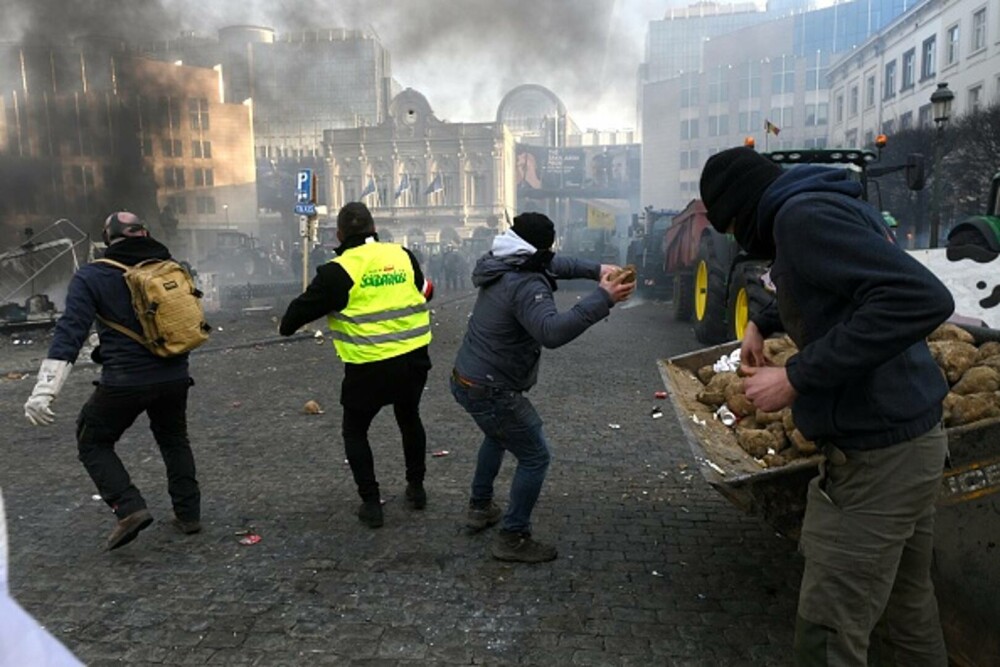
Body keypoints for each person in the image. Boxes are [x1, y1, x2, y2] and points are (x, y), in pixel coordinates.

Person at [699, 147, 954, 664]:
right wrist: (763, 320)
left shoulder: (800, 217)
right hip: (912, 441)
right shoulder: (818, 202)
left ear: (741, 210)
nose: (737, 240)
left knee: (826, 636)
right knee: (908, 611)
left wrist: (795, 376)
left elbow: (922, 298)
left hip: (877, 459)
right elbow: (831, 278)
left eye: (731, 228)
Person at [451, 212, 635, 563]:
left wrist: (596, 269)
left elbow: (558, 264)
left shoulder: (504, 259)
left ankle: (480, 507)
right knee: (535, 455)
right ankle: (512, 536)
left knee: (497, 436)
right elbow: (552, 332)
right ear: (542, 248)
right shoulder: (527, 282)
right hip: (491, 388)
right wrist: (603, 298)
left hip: (467, 376)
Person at [23, 212, 201, 551]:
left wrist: (45, 390)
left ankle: (129, 507)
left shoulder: (92, 275)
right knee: (174, 439)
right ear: (144, 234)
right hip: (175, 374)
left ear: (108, 240)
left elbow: (70, 333)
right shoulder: (172, 267)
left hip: (125, 381)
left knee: (92, 439)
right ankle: (189, 514)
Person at [279, 202, 434, 529]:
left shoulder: (338, 271)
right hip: (413, 359)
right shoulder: (402, 255)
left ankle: (371, 503)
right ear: (374, 228)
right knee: (409, 418)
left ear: (338, 234)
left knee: (355, 430)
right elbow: (425, 292)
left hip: (369, 367)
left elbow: (290, 322)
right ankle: (416, 489)